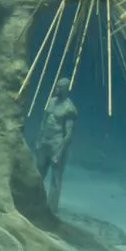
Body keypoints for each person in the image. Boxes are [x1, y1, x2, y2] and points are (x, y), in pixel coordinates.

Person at [35, 78, 77, 213]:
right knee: (39, 172)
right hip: (45, 142)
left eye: (60, 88)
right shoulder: (51, 102)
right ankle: (35, 201)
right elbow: (44, 120)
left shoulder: (69, 108)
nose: (56, 90)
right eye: (56, 87)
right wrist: (39, 138)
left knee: (56, 178)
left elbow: (68, 133)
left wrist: (59, 152)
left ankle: (51, 209)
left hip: (57, 144)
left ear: (65, 89)